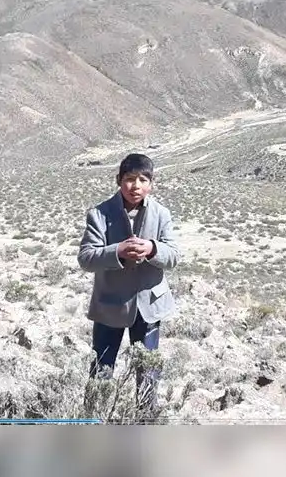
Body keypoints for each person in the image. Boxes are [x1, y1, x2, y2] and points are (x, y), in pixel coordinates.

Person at [77, 153, 180, 415]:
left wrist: (152, 249)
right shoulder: (100, 214)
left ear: (151, 184)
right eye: (130, 179)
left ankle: (145, 420)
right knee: (102, 369)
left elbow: (173, 256)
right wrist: (118, 251)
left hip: (149, 306)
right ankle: (93, 419)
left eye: (143, 179)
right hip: (110, 304)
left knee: (148, 371)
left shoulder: (161, 214)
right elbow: (86, 258)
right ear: (119, 180)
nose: (136, 186)